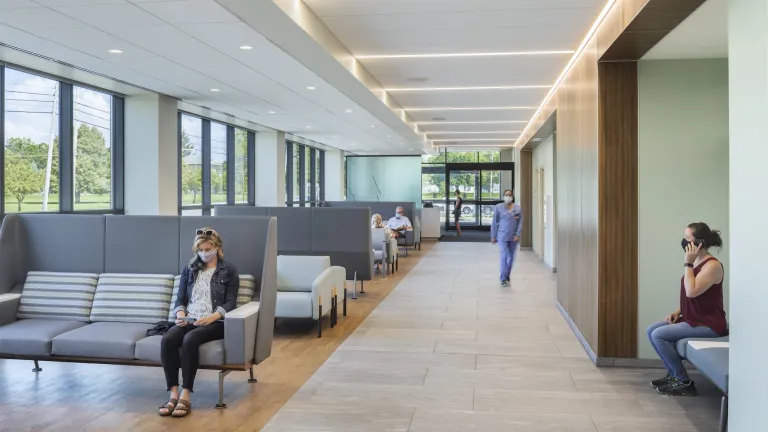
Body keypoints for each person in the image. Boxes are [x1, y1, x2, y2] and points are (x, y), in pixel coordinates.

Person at [158, 228, 239, 417]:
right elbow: (180, 299)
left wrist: (212, 317)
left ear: (218, 248)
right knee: (168, 339)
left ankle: (186, 394)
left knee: (190, 339)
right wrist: (180, 313)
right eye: (200, 249)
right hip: (190, 318)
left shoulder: (228, 270)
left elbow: (230, 302)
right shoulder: (190, 269)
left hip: (214, 322)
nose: (204, 253)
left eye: (208, 248)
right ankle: (173, 393)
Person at [647, 222, 727, 396]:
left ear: (699, 242)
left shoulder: (712, 266)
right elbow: (696, 297)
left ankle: (683, 381)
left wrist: (687, 264)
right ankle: (673, 376)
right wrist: (678, 311)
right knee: (651, 329)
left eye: (687, 238)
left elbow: (691, 291)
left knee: (658, 335)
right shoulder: (697, 262)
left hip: (709, 324)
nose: (683, 242)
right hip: (694, 317)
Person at [491, 190, 522, 287]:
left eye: (510, 195)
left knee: (511, 258)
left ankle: (507, 275)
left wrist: (518, 234)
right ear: (503, 196)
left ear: (513, 196)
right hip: (502, 236)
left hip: (513, 237)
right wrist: (493, 236)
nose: (508, 196)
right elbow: (494, 222)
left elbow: (520, 222)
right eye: (506, 195)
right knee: (504, 256)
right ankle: (503, 278)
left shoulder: (517, 208)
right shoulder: (498, 207)